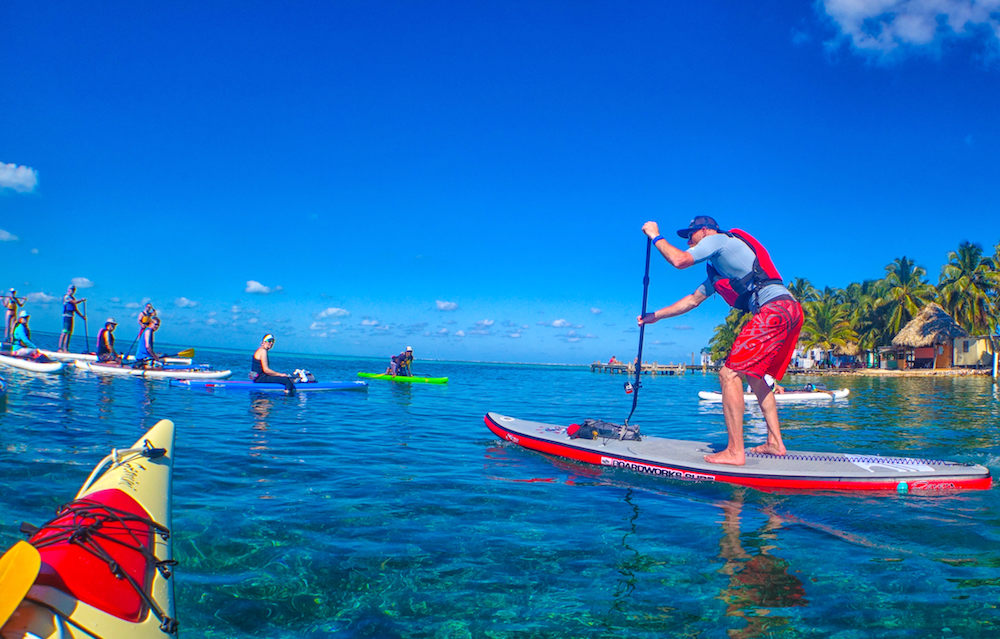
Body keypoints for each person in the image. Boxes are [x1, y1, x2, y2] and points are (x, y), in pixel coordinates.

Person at [638, 216, 803, 466]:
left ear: (705, 231)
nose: (689, 242)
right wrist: (655, 317)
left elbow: (680, 260)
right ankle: (775, 443)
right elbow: (692, 300)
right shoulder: (720, 268)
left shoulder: (718, 240)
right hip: (789, 309)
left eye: (690, 235)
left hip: (774, 309)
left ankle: (735, 451)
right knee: (755, 377)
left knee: (729, 374)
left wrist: (655, 235)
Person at [57, 285, 86, 352]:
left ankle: (66, 349)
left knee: (69, 333)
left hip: (71, 317)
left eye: (73, 290)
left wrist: (82, 317)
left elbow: (75, 309)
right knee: (64, 332)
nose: (71, 291)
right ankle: (60, 348)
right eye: (70, 290)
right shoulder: (66, 297)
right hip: (66, 316)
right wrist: (81, 300)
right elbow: (74, 302)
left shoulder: (73, 298)